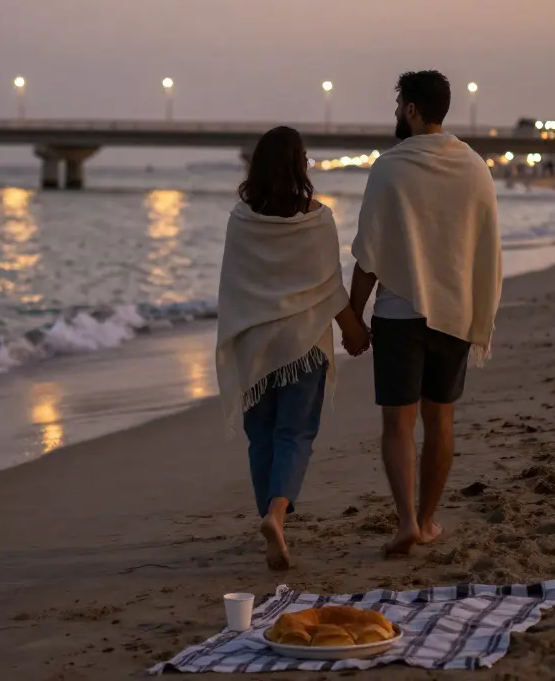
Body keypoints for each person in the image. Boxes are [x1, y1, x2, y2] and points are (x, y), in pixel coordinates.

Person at [349, 71, 503, 556]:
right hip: (454, 312)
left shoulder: (389, 168)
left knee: (398, 424)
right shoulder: (473, 166)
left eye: (399, 105)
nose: (396, 113)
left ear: (413, 109)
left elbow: (370, 254)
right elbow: (486, 245)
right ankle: (430, 520)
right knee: (441, 421)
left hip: (398, 315)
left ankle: (407, 522)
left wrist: (353, 316)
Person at [215, 126, 368, 571]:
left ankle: (269, 516)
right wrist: (354, 331)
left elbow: (234, 287)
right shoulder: (317, 218)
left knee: (260, 436)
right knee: (294, 434)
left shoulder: (240, 219)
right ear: (301, 165)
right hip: (303, 343)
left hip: (255, 344)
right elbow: (328, 286)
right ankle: (277, 516)